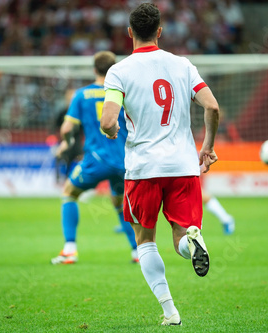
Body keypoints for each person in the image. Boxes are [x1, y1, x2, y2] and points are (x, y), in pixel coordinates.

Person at [100, 3, 219, 326]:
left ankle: (170, 312)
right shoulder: (182, 65)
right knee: (182, 233)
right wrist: (207, 147)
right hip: (183, 166)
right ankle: (192, 243)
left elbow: (109, 119)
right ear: (160, 32)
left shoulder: (119, 71)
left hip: (143, 169)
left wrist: (109, 130)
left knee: (145, 240)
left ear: (129, 33)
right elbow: (212, 106)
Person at [51, 51, 138, 265]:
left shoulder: (82, 95)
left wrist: (67, 142)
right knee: (119, 202)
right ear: (114, 68)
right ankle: (137, 252)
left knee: (69, 193)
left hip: (97, 159)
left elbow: (67, 127)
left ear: (94, 70)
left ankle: (70, 249)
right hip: (124, 161)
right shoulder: (124, 93)